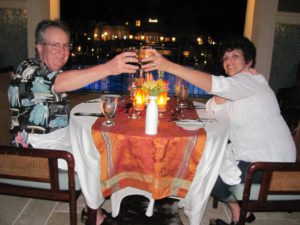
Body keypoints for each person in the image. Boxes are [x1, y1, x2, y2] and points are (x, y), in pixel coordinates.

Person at [141, 35, 296, 225]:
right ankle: (240, 212)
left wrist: (168, 66)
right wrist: (222, 94)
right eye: (225, 58)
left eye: (235, 57)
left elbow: (216, 87)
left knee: (204, 173)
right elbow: (212, 108)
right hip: (254, 157)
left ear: (249, 62)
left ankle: (238, 210)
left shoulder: (251, 81)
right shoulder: (238, 87)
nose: (229, 61)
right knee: (206, 164)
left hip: (270, 165)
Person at [8, 19, 138, 225]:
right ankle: (95, 217)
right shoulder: (28, 69)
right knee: (92, 157)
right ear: (39, 48)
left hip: (59, 136)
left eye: (66, 45)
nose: (62, 51)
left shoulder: (51, 71)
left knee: (105, 143)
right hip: (37, 147)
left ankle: (95, 204)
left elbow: (60, 85)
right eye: (55, 45)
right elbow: (57, 84)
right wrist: (109, 68)